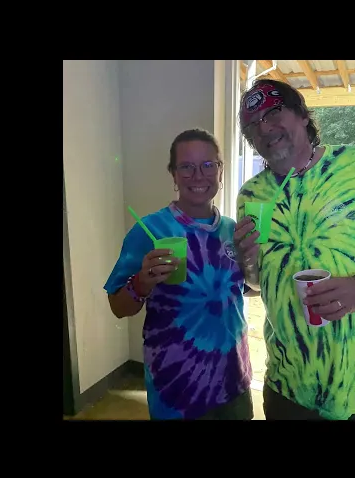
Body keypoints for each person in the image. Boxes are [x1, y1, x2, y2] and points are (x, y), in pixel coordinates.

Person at [234, 79, 355, 420]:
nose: (264, 127)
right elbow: (260, 283)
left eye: (273, 112)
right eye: (253, 125)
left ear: (303, 115)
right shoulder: (252, 195)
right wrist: (247, 261)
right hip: (286, 387)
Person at [104, 128, 254, 420]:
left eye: (208, 165)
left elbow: (245, 290)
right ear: (173, 174)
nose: (198, 175)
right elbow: (117, 306)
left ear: (220, 171)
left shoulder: (231, 229)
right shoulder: (149, 230)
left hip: (234, 381)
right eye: (186, 167)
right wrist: (141, 283)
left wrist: (253, 262)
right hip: (177, 388)